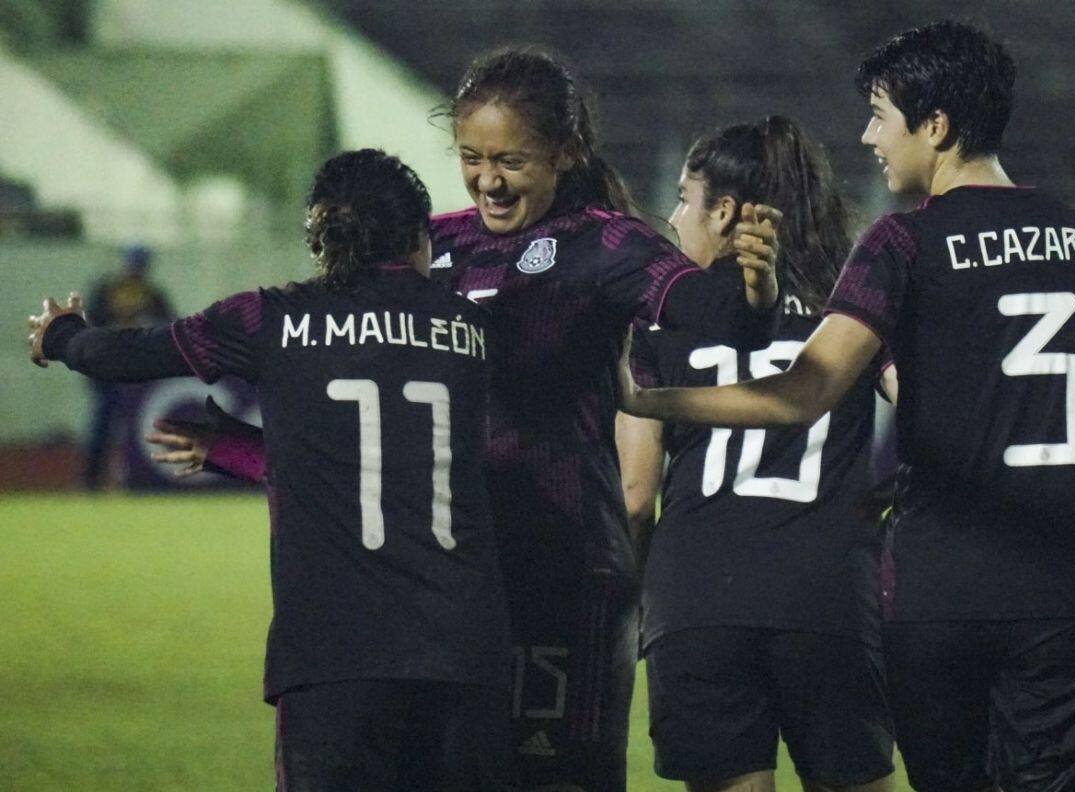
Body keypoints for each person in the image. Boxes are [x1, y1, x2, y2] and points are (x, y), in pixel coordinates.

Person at [147, 48, 783, 792]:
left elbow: (723, 320)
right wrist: (238, 448)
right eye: (471, 157)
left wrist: (756, 293)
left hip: (564, 570)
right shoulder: (428, 244)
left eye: (510, 159)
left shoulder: (609, 244)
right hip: (445, 593)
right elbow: (355, 418)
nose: (487, 178)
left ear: (564, 151)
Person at [618, 21, 1075, 792]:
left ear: (937, 126)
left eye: (881, 115)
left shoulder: (900, 243)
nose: (868, 136)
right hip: (1074, 588)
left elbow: (804, 390)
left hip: (940, 592)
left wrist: (641, 397)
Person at [29, 149, 517, 791]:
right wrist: (233, 447)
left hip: (333, 653)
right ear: (418, 239)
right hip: (466, 652)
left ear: (321, 239)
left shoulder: (273, 319)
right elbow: (399, 464)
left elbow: (126, 355)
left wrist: (63, 334)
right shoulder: (474, 331)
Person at [616, 116, 895, 792]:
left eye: (686, 197)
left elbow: (633, 493)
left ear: (726, 212)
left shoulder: (660, 315)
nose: (675, 215)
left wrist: (635, 599)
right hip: (826, 593)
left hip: (697, 597)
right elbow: (927, 409)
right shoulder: (851, 306)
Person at [81, 244, 174, 489]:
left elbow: (170, 325)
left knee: (128, 424)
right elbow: (91, 325)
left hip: (135, 370)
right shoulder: (107, 290)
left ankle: (126, 477)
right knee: (103, 420)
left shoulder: (152, 294)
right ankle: (92, 478)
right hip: (106, 366)